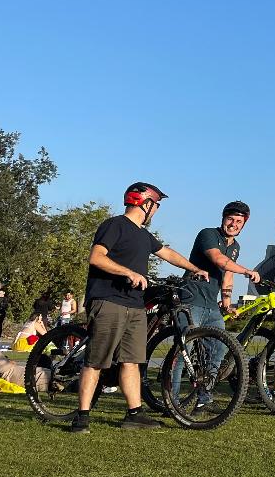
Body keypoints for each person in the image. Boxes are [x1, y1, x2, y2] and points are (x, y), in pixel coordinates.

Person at [68, 182, 209, 434]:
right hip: (109, 300)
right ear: (145, 203)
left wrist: (194, 268)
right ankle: (82, 416)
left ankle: (134, 414)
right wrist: (128, 272)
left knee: (131, 361)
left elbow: (167, 253)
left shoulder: (144, 235)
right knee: (96, 361)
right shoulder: (114, 225)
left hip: (135, 305)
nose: (156, 210)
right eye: (156, 205)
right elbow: (97, 257)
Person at [175, 201, 261, 409]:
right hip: (191, 297)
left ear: (244, 224)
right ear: (223, 218)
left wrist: (226, 303)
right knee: (182, 351)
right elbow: (218, 260)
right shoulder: (208, 234)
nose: (233, 224)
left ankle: (204, 396)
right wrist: (247, 271)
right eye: (230, 219)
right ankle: (173, 399)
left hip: (211, 305)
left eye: (239, 221)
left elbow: (227, 276)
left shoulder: (235, 247)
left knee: (218, 348)